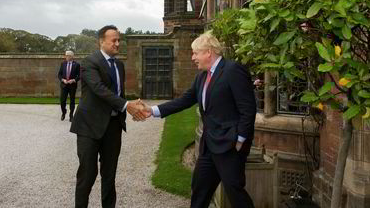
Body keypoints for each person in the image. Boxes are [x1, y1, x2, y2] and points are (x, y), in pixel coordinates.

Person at [137, 31, 256, 208]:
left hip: (230, 146)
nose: (193, 58)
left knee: (235, 192)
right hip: (208, 147)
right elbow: (184, 100)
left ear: (208, 52)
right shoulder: (202, 77)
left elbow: (248, 109)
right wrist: (153, 110)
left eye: (195, 53)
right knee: (199, 189)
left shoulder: (232, 70)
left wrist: (240, 140)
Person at [70, 25, 144, 208]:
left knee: (109, 174)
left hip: (113, 126)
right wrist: (127, 105)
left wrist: (129, 109)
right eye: (114, 40)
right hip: (89, 126)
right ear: (101, 41)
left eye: (119, 40)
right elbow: (99, 90)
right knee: (87, 174)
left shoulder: (119, 65)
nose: (118, 43)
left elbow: (119, 93)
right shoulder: (89, 62)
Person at [58, 50, 81, 121]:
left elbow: (79, 75)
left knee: (72, 101)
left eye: (68, 55)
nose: (66, 56)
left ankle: (71, 115)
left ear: (72, 56)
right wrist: (63, 80)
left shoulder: (76, 64)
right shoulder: (63, 64)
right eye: (66, 55)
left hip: (72, 85)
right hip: (64, 85)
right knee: (62, 101)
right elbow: (59, 74)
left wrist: (73, 80)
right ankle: (64, 112)